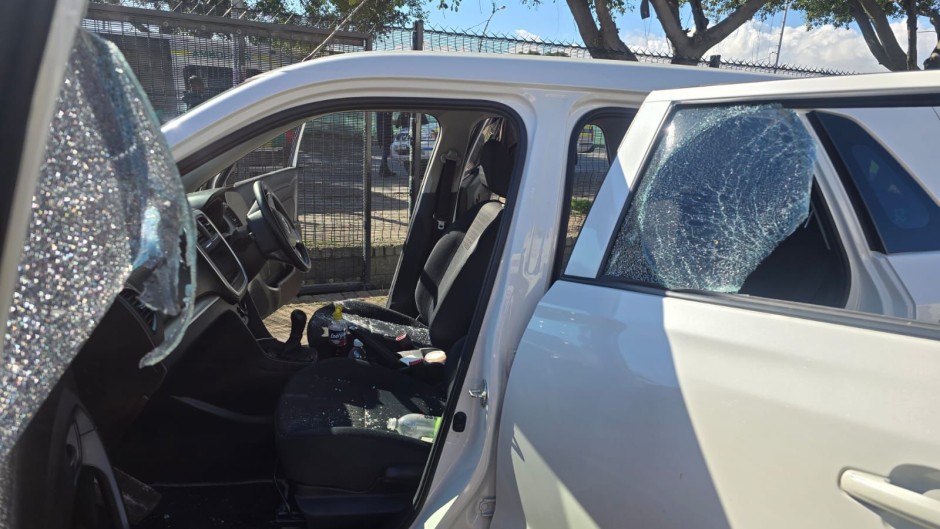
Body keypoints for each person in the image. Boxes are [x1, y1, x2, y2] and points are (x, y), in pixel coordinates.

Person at [376, 111, 394, 177]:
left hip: (383, 133)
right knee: (386, 152)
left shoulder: (381, 112)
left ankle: (384, 170)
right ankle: (383, 171)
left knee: (386, 152)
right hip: (385, 133)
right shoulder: (384, 112)